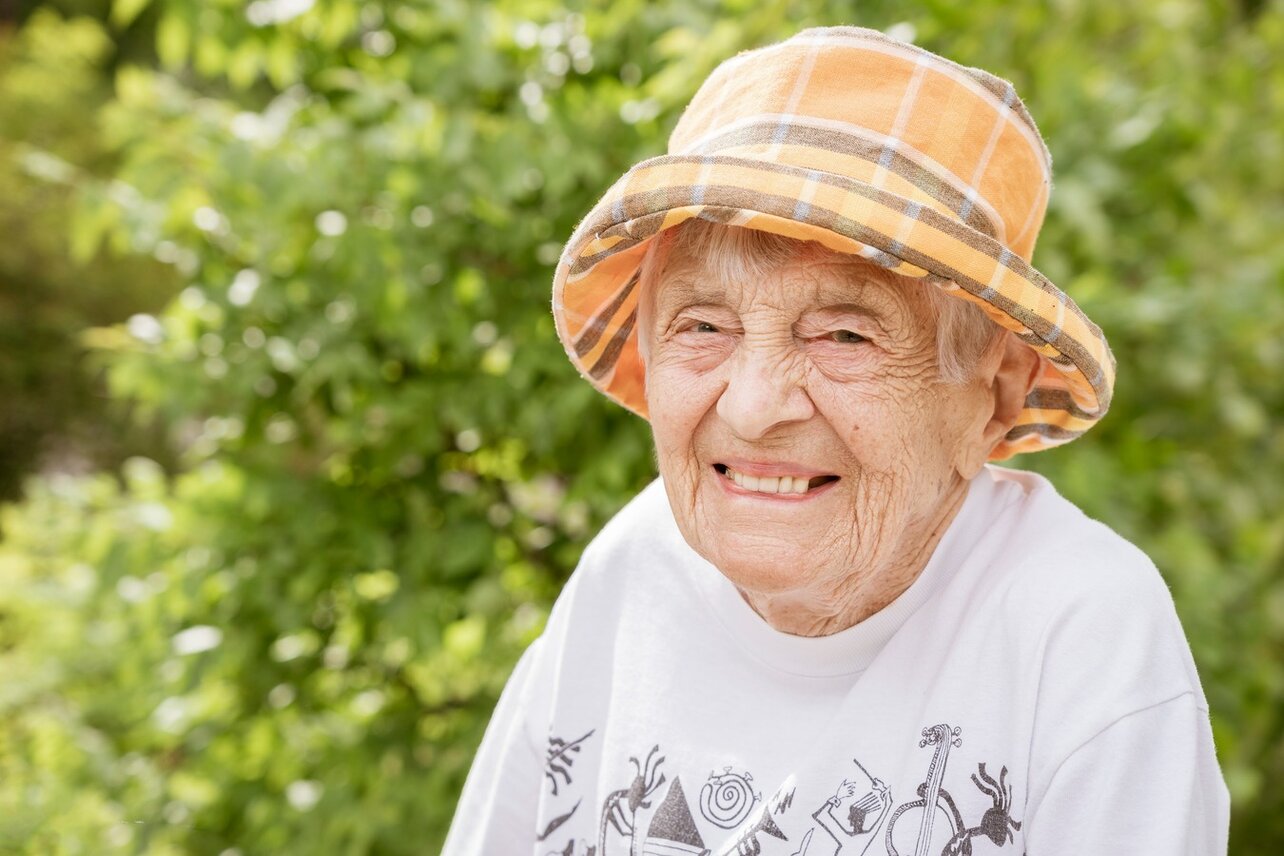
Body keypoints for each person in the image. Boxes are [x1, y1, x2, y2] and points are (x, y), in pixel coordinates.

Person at [442, 25, 1230, 856]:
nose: (751, 409)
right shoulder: (631, 569)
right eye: (703, 325)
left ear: (994, 396)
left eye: (845, 336)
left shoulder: (1079, 630)